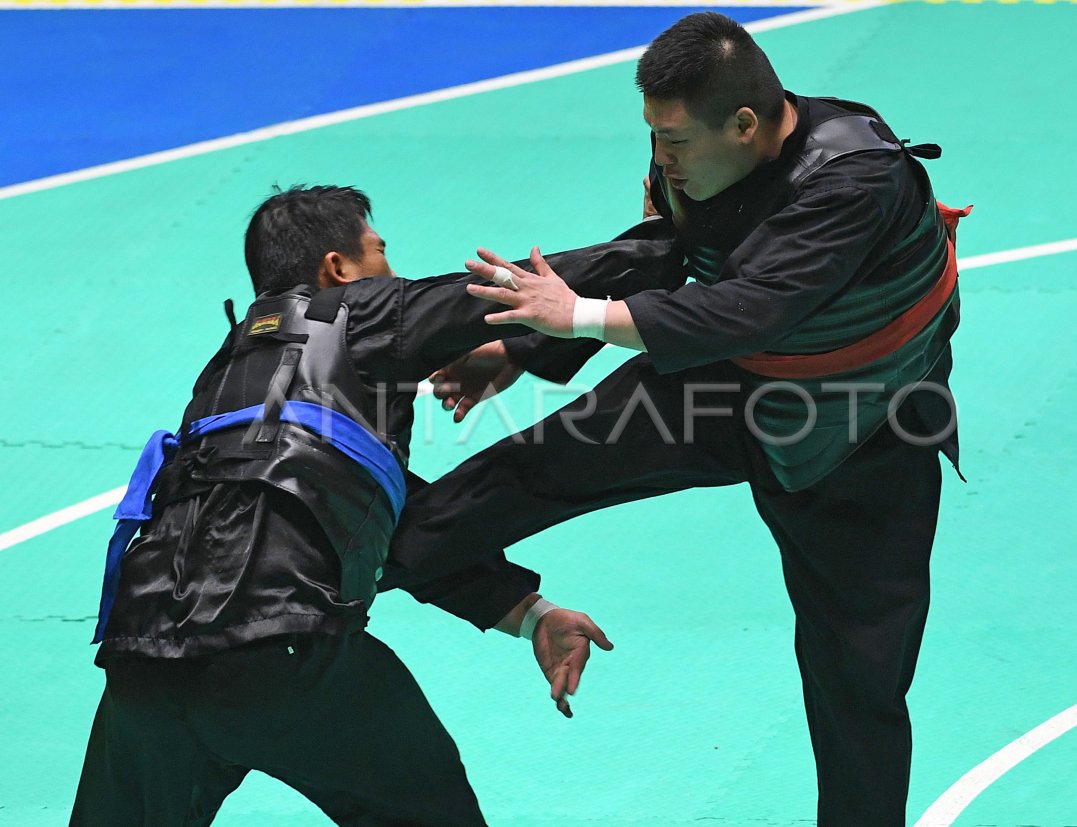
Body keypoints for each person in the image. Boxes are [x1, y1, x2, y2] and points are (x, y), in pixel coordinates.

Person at [383, 12, 968, 825]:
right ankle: (335, 565)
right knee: (533, 466)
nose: (661, 157)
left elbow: (746, 309)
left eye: (676, 142)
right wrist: (523, 345)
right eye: (654, 136)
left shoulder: (853, 181)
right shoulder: (702, 155)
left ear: (745, 124)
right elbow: (669, 253)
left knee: (857, 673)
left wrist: (578, 317)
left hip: (864, 433)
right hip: (730, 389)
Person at [71, 184, 684, 826]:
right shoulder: (355, 313)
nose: (395, 273)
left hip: (140, 663)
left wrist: (532, 616)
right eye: (380, 253)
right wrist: (660, 240)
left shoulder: (227, 374)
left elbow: (369, 519)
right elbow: (518, 292)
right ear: (338, 269)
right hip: (286, 653)